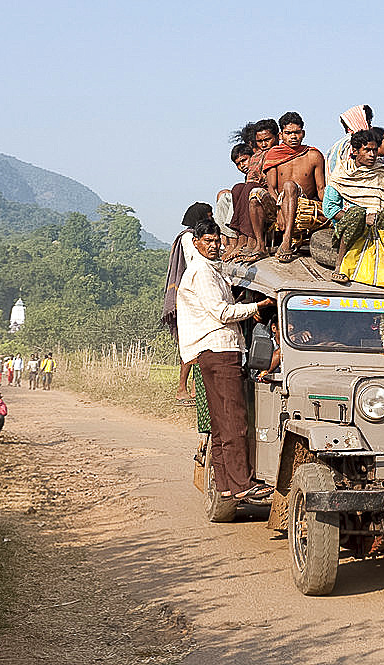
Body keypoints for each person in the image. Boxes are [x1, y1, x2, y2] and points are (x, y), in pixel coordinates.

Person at [176, 218, 275, 501]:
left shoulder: (209, 270)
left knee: (221, 425)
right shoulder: (203, 273)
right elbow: (221, 312)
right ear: (196, 243)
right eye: (209, 241)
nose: (215, 246)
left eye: (217, 241)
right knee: (235, 421)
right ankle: (243, 485)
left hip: (214, 352)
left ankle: (225, 485)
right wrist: (257, 306)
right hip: (220, 350)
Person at [324, 130, 384, 287]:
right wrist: (363, 217)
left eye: (374, 150)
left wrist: (379, 217)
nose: (372, 155)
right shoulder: (342, 173)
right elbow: (330, 209)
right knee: (357, 213)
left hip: (378, 227)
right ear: (355, 151)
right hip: (351, 227)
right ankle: (339, 267)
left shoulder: (383, 173)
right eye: (367, 150)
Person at [163, 202, 212, 404]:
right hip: (191, 296)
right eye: (208, 216)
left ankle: (193, 388)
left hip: (195, 294)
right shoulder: (188, 238)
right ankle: (183, 388)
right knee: (191, 344)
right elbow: (196, 262)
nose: (211, 219)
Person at [264, 111, 326, 263]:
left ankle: (287, 241)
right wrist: (279, 209)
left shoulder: (313, 155)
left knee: (289, 185)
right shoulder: (273, 155)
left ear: (303, 133)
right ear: (281, 135)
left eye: (297, 132)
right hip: (280, 202)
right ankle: (262, 245)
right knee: (259, 193)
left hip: (305, 202)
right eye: (288, 133)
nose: (293, 136)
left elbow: (320, 188)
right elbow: (271, 188)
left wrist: (329, 208)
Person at [229, 118, 280, 263]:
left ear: (277, 137)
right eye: (260, 141)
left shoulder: (280, 152)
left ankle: (252, 240)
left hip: (275, 197)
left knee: (251, 189)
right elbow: (251, 179)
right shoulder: (258, 156)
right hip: (258, 195)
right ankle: (242, 238)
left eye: (267, 139)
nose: (264, 144)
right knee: (238, 188)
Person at [326, 104, 373, 184]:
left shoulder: (337, 145)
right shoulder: (351, 145)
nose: (371, 127)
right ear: (360, 122)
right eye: (368, 123)